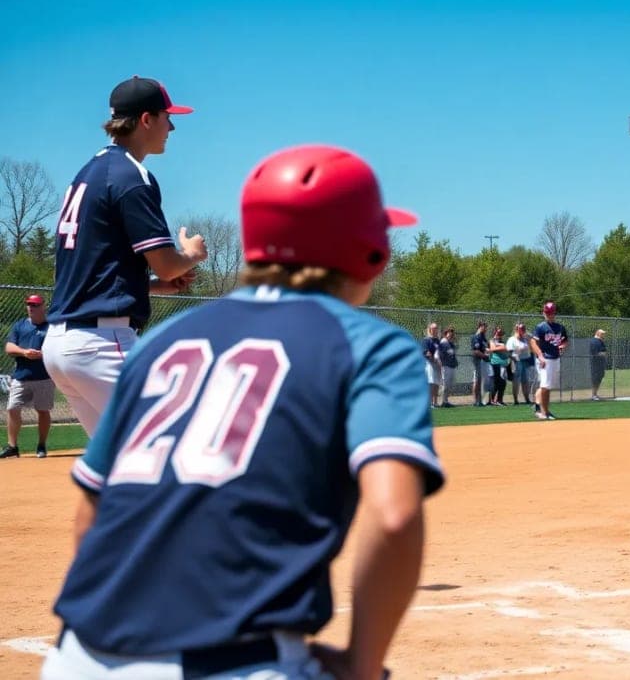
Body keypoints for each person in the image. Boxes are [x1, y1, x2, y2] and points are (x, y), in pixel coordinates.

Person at [41, 145, 442, 680]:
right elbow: (394, 517)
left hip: (77, 658)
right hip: (233, 661)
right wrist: (362, 664)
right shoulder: (370, 344)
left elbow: (92, 513)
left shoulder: (161, 342)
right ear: (369, 250)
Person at [42, 76, 208, 437]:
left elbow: (94, 271)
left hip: (62, 345)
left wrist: (152, 286)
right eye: (167, 117)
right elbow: (166, 261)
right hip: (102, 346)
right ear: (146, 120)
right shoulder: (131, 176)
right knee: (185, 441)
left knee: (119, 467)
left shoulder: (88, 173)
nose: (172, 126)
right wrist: (191, 255)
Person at [3, 295, 54, 459]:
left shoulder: (51, 327)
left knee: (43, 411)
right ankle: (12, 447)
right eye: (29, 304)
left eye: (35, 305)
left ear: (43, 307)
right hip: (21, 377)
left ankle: (41, 445)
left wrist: (42, 354)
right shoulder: (20, 325)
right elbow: (9, 347)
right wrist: (25, 352)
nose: (31, 307)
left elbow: (58, 349)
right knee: (12, 408)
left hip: (44, 377)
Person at [530, 301, 568, 420]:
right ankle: (544, 412)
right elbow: (533, 342)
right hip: (544, 359)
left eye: (551, 313)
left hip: (555, 359)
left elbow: (565, 340)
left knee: (547, 386)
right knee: (545, 385)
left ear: (554, 313)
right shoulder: (541, 327)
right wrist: (540, 355)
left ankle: (539, 407)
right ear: (544, 313)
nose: (549, 315)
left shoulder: (560, 327)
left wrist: (563, 346)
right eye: (547, 312)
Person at [506, 323, 535, 406]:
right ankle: (516, 400)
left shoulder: (525, 339)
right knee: (516, 381)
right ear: (517, 329)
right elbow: (509, 352)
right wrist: (514, 359)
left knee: (526, 381)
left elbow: (533, 340)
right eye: (521, 328)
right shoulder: (512, 339)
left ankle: (527, 399)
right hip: (517, 361)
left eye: (524, 328)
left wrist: (527, 336)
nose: (523, 330)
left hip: (525, 361)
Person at [487, 327, 509, 406]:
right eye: (498, 333)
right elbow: (493, 348)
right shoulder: (492, 340)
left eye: (501, 333)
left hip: (503, 364)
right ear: (495, 332)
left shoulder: (502, 341)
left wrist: (499, 347)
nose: (499, 335)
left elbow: (506, 348)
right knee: (496, 382)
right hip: (495, 364)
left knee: (502, 382)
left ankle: (499, 400)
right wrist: (502, 347)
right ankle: (492, 400)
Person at [470, 321, 490, 407]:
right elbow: (476, 351)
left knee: (481, 380)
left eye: (486, 327)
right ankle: (476, 400)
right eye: (484, 327)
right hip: (478, 360)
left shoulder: (484, 338)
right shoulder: (476, 337)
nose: (485, 329)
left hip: (484, 361)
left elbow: (487, 348)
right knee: (477, 380)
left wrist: (488, 353)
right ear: (480, 327)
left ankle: (480, 400)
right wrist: (485, 356)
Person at [438, 327, 458, 407]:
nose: (451, 335)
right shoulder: (443, 342)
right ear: (445, 334)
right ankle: (442, 401)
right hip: (446, 366)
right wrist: (441, 365)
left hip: (451, 366)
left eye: (452, 333)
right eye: (449, 333)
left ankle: (446, 401)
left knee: (449, 385)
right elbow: (440, 355)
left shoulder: (451, 343)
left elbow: (452, 354)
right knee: (445, 385)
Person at [422, 322, 440, 409]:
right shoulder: (426, 340)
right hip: (429, 363)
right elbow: (427, 352)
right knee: (431, 383)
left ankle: (435, 402)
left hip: (437, 364)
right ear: (430, 329)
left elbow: (440, 352)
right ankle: (429, 403)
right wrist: (434, 360)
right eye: (434, 328)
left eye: (436, 328)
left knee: (436, 383)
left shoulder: (437, 340)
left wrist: (439, 361)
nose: (435, 330)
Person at [589, 329, 608, 400]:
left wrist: (603, 353)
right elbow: (595, 353)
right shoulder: (594, 341)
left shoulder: (600, 341)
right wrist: (602, 354)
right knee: (596, 379)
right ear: (598, 333)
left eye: (603, 334)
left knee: (599, 378)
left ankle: (595, 394)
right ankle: (594, 395)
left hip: (600, 363)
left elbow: (603, 351)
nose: (603, 335)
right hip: (596, 364)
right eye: (602, 334)